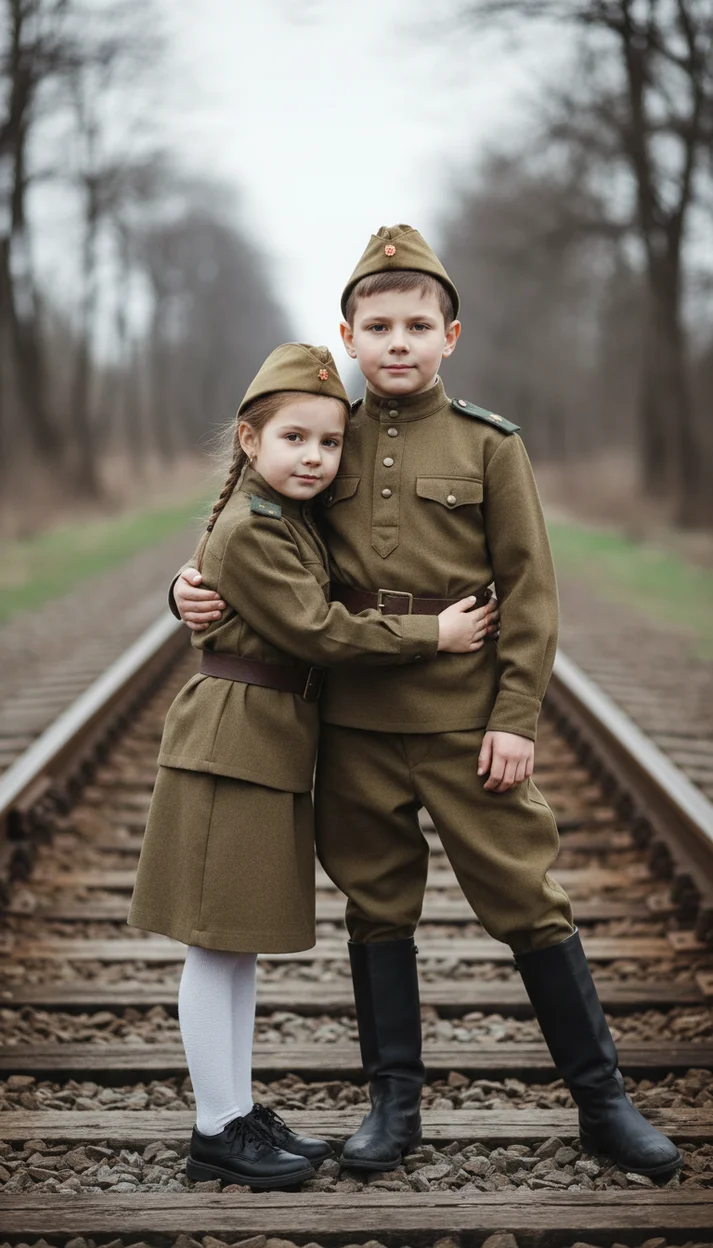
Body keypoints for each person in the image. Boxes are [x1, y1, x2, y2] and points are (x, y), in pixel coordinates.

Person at [171, 229, 681, 1181]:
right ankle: (390, 1104)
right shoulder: (325, 435)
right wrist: (184, 589)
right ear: (348, 337)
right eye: (377, 326)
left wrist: (514, 718)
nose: (397, 342)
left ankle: (604, 1106)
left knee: (528, 902)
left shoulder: (489, 445)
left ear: (452, 335)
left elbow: (529, 591)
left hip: (462, 719)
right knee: (377, 909)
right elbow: (253, 530)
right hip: (356, 723)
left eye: (416, 324)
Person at [128, 340, 495, 1191]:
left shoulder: (286, 517)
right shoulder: (254, 525)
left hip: (267, 739)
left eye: (330, 444)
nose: (316, 457)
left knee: (236, 943)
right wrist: (429, 634)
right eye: (295, 439)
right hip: (235, 742)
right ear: (250, 440)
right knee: (215, 947)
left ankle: (232, 1110)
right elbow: (317, 629)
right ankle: (215, 1127)